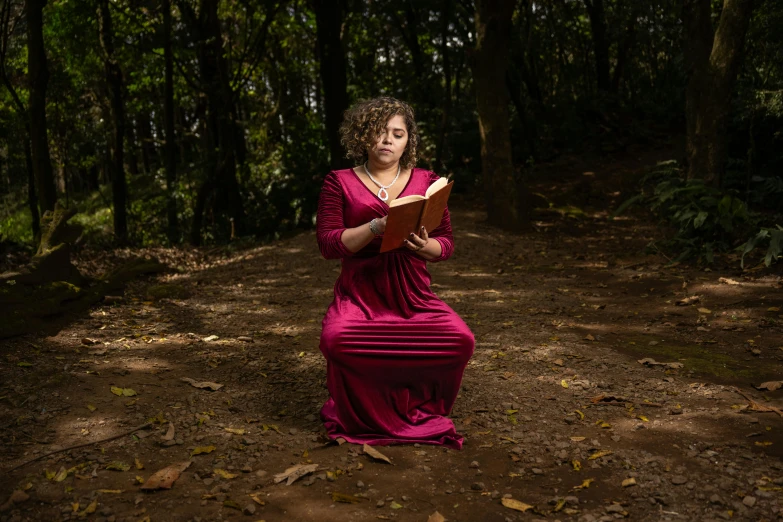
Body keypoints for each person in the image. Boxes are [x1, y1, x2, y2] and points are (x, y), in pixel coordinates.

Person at [316, 96, 474, 449]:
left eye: (397, 133)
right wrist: (377, 226)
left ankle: (416, 408)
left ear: (408, 141)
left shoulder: (427, 181)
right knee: (336, 340)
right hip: (361, 294)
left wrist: (423, 246)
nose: (387, 140)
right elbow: (328, 244)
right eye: (379, 131)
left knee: (460, 340)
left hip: (413, 294)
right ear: (362, 136)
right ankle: (364, 412)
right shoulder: (338, 181)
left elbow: (445, 244)